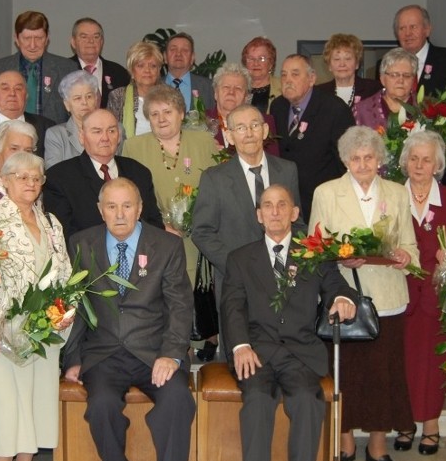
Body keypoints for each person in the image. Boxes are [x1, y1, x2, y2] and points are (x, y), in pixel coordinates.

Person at [63, 177, 195, 461]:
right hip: (105, 354)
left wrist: (172, 354)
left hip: (155, 353)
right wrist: (73, 358)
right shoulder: (81, 243)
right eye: (111, 206)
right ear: (100, 210)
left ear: (139, 209)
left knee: (178, 400)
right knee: (102, 407)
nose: (119, 213)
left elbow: (180, 306)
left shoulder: (167, 245)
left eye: (126, 205)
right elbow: (76, 303)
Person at [222, 184, 357, 461]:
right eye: (267, 206)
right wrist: (240, 346)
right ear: (258, 215)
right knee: (257, 398)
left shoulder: (314, 254)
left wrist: (343, 300)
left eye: (282, 205)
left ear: (295, 213)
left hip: (300, 352)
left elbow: (338, 286)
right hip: (257, 351)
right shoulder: (240, 259)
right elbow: (232, 308)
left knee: (308, 401)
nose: (275, 211)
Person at [308, 125, 419, 461]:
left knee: (383, 377)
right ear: (344, 160)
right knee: (346, 374)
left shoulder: (398, 193)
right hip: (344, 295)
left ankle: (378, 446)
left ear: (380, 159)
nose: (362, 163)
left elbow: (411, 245)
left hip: (388, 296)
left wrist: (404, 254)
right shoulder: (327, 192)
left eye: (369, 157)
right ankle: (344, 444)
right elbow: (316, 247)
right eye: (355, 158)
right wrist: (340, 257)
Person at [0, 152, 72, 461]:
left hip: (43, 330)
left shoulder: (51, 222)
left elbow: (65, 273)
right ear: (7, 181)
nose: (30, 183)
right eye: (22, 177)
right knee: (5, 404)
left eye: (36, 177)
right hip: (0, 328)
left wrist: (63, 313)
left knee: (37, 401)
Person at [191, 105, 305, 359]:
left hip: (282, 282)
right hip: (236, 286)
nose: (249, 133)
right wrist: (238, 266)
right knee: (241, 363)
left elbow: (298, 224)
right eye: (240, 128)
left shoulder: (287, 171)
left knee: (286, 362)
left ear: (265, 130)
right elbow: (202, 232)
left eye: (255, 125)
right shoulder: (215, 178)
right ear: (228, 136)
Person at [121, 85, 217, 359]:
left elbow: (218, 185)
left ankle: (200, 347)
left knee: (197, 294)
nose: (161, 118)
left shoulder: (204, 141)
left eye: (168, 111)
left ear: (181, 113)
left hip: (199, 236)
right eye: (154, 114)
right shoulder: (133, 146)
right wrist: (161, 225)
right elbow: (131, 192)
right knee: (165, 292)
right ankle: (172, 348)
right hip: (156, 235)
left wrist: (199, 219)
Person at [398, 131, 446, 455]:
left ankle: (431, 424)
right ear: (404, 162)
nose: (419, 165)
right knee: (401, 362)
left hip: (437, 298)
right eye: (414, 158)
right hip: (400, 297)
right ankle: (403, 423)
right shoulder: (390, 196)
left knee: (434, 363)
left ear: (438, 164)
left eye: (426, 159)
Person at [43, 108, 164, 239]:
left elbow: (154, 226)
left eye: (111, 131)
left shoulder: (139, 172)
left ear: (119, 136)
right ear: (82, 137)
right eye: (97, 131)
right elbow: (66, 235)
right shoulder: (59, 177)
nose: (105, 138)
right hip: (88, 257)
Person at [270, 54, 355, 218]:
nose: (287, 80)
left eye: (295, 74)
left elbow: (346, 162)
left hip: (324, 202)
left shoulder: (334, 109)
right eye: (284, 74)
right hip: (287, 203)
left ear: (312, 78)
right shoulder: (277, 107)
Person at [0, 10, 78, 124]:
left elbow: (77, 112)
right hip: (8, 137)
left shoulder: (67, 69)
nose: (32, 45)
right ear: (17, 39)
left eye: (38, 38)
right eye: (27, 38)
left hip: (52, 139)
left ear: (47, 38)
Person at [206, 61, 279, 156]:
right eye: (226, 87)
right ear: (216, 93)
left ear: (247, 97)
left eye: (238, 88)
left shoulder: (264, 122)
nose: (231, 92)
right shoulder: (201, 121)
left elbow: (272, 161)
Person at [390, 4, 446, 96]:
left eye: (413, 27)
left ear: (427, 29)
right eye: (402, 28)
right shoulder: (389, 65)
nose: (408, 33)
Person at [0, 70, 54, 160]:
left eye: (18, 89)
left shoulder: (46, 127)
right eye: (5, 89)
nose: (12, 93)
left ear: (26, 96)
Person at [68, 17, 130, 108]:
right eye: (84, 37)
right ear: (73, 42)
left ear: (102, 42)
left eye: (96, 37)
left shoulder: (119, 73)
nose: (91, 41)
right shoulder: (63, 70)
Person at [44, 69, 101, 168]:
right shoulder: (56, 135)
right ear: (67, 105)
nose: (84, 102)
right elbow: (55, 175)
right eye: (77, 98)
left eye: (89, 96)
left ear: (96, 100)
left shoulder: (115, 130)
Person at [107, 41, 164, 138]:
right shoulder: (118, 96)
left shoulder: (169, 96)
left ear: (158, 71)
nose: (147, 70)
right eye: (140, 65)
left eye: (153, 66)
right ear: (131, 70)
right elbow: (111, 132)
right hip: (127, 151)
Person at [354, 48, 419, 131]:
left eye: (406, 75)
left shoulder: (426, 108)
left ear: (413, 79)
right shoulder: (362, 110)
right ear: (382, 79)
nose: (401, 80)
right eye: (394, 75)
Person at [314, 33, 381, 107]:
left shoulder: (374, 89)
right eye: (337, 59)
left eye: (348, 59)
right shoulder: (319, 93)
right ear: (329, 66)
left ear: (357, 64)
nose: (342, 64)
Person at [164, 32, 216, 111]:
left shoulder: (209, 87)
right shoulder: (153, 87)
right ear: (165, 57)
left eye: (185, 50)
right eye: (173, 49)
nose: (178, 54)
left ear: (192, 58)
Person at [241, 36, 282, 114]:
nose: (256, 63)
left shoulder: (283, 87)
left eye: (261, 58)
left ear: (271, 63)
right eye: (251, 59)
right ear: (245, 63)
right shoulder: (238, 87)